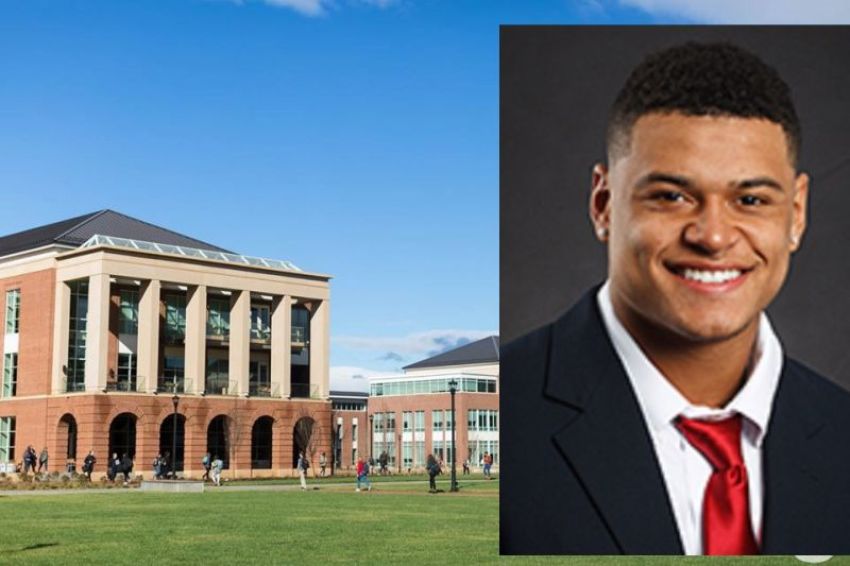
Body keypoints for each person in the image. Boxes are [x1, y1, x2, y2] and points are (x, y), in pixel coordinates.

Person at [501, 41, 850, 555]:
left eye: (750, 199)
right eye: (671, 196)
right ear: (604, 205)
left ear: (796, 214)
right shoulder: (508, 418)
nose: (712, 235)